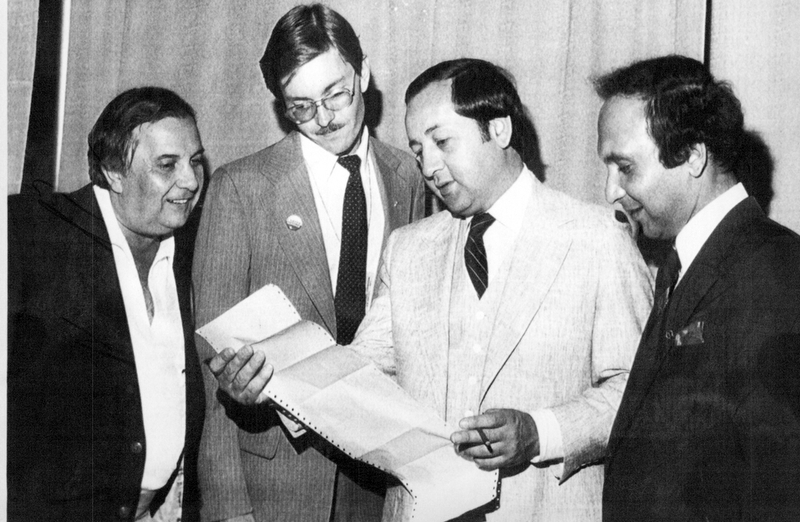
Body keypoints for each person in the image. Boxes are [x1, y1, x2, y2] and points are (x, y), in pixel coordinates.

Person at [212, 58, 652, 520]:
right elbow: (358, 375)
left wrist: (540, 433)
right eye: (419, 150)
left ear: (499, 130)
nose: (429, 166)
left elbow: (637, 390)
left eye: (443, 142)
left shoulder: (597, 236)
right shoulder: (407, 250)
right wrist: (271, 384)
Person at [192, 4, 426, 522]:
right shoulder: (241, 188)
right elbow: (214, 371)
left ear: (362, 73)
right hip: (275, 482)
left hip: (377, 474)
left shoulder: (407, 176)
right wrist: (229, 507)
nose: (324, 118)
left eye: (336, 94)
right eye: (300, 106)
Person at [596, 55, 800, 521]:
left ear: (693, 156)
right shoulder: (683, 263)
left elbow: (781, 489)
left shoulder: (776, 273)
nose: (610, 190)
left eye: (625, 167)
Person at [7, 87, 206, 521]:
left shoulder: (192, 252)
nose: (191, 181)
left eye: (195, 161)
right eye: (167, 165)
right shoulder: (35, 235)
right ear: (114, 173)